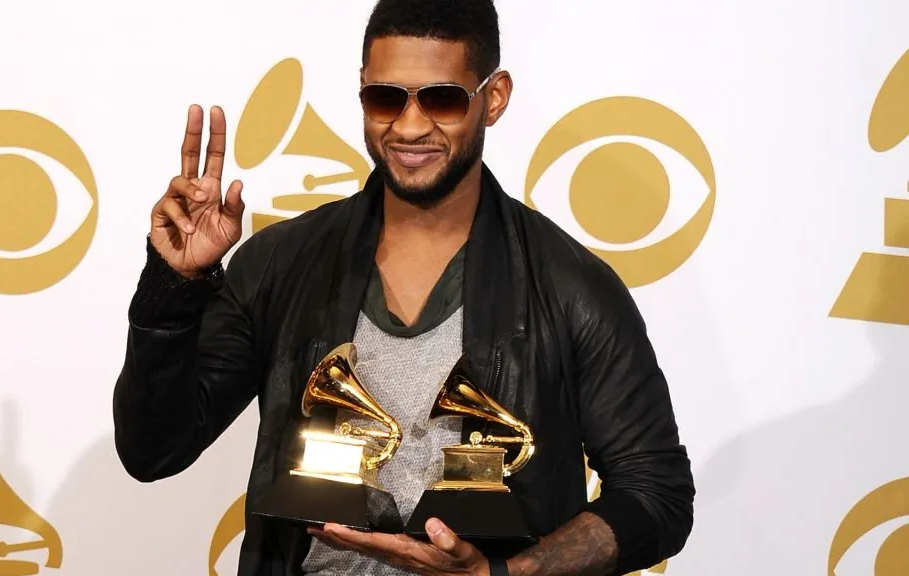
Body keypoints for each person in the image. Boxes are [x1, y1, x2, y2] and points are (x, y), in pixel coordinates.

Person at [112, 0, 695, 574]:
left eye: (441, 99)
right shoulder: (279, 263)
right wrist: (176, 285)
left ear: (493, 99)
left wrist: (507, 574)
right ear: (362, 90)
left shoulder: (571, 287)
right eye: (386, 98)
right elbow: (153, 451)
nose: (410, 126)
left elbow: (657, 495)